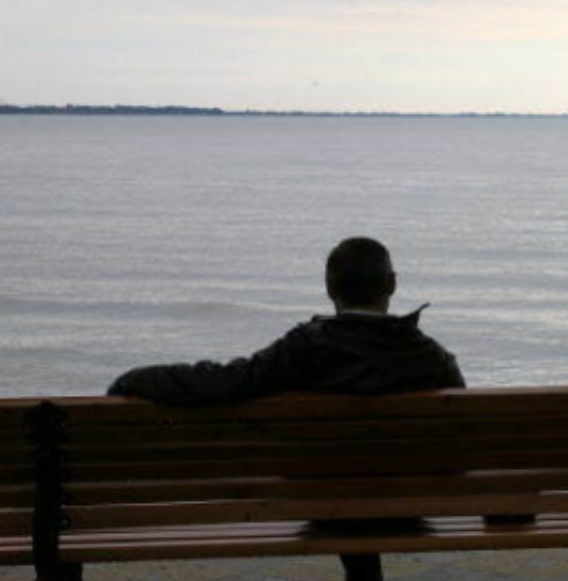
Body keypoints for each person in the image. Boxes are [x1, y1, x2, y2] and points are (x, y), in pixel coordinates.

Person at [109, 237, 464, 581]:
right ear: (392, 284)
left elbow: (225, 382)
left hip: (323, 506)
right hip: (406, 507)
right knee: (364, 469)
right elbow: (464, 431)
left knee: (340, 472)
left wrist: (136, 379)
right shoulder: (428, 355)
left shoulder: (307, 347)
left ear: (330, 288)